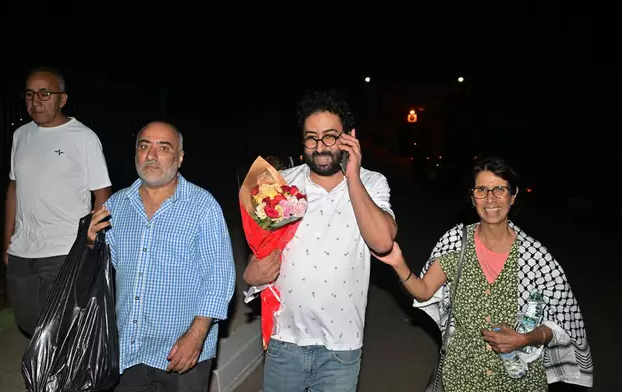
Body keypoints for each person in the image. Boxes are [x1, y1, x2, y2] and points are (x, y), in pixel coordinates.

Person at [373, 157, 593, 391]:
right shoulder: (456, 242)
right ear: (472, 197)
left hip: (517, 379)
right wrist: (399, 263)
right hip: (461, 375)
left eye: (499, 189)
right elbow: (424, 291)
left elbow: (562, 324)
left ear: (513, 195)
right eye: (482, 190)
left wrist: (525, 339)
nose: (490, 199)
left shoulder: (536, 257)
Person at [243, 89, 397, 391]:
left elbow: (382, 242)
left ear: (348, 138)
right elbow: (259, 254)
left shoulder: (372, 182)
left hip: (342, 346)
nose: (320, 146)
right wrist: (252, 274)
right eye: (311, 138)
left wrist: (353, 177)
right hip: (284, 340)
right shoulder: (281, 183)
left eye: (330, 136)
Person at [87, 121, 236, 392]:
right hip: (128, 347)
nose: (152, 155)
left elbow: (219, 278)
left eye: (163, 148)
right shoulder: (117, 206)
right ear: (135, 154)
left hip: (181, 349)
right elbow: (104, 272)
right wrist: (89, 244)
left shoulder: (203, 206)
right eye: (144, 146)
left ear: (179, 158)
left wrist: (196, 336)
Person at [4, 66, 112, 336]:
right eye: (30, 94)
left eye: (44, 93)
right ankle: (48, 373)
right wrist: (8, 241)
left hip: (64, 250)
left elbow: (102, 194)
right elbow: (13, 189)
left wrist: (89, 244)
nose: (36, 101)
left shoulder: (83, 138)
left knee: (59, 329)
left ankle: (58, 378)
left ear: (62, 99)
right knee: (29, 323)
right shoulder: (21, 136)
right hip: (22, 251)